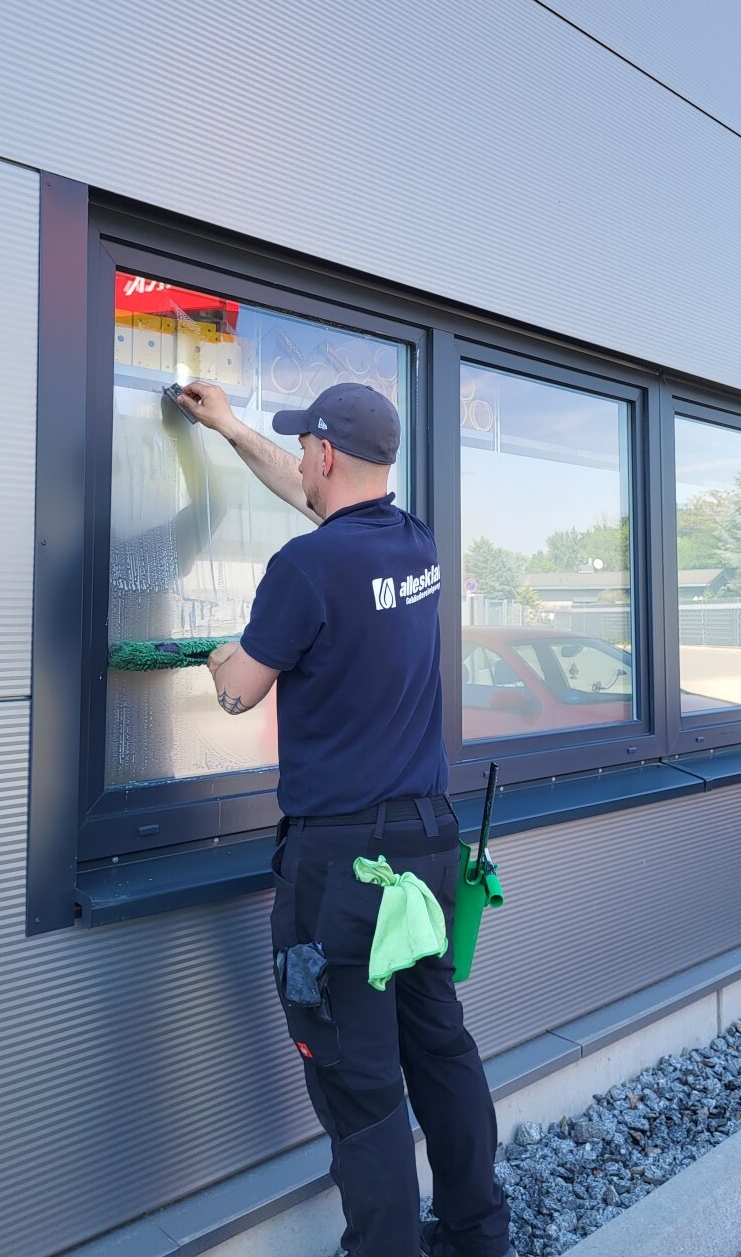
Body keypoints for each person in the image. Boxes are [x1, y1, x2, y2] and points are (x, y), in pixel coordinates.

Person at [177, 379, 514, 1257]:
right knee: (439, 1051)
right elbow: (320, 511)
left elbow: (238, 692)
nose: (298, 462)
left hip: (343, 877)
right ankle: (478, 1236)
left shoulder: (305, 569)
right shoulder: (415, 544)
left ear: (326, 453)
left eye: (303, 448)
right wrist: (230, 428)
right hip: (427, 849)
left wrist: (224, 657)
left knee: (360, 1086)